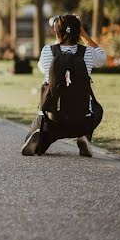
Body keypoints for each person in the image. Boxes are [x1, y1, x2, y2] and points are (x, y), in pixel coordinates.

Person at [22, 14, 106, 157]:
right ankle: (84, 136)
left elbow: (43, 68)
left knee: (36, 137)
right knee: (98, 110)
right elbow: (102, 58)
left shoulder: (47, 51)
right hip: (81, 118)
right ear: (78, 31)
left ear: (56, 31)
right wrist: (84, 35)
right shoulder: (88, 53)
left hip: (52, 118)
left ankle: (40, 140)